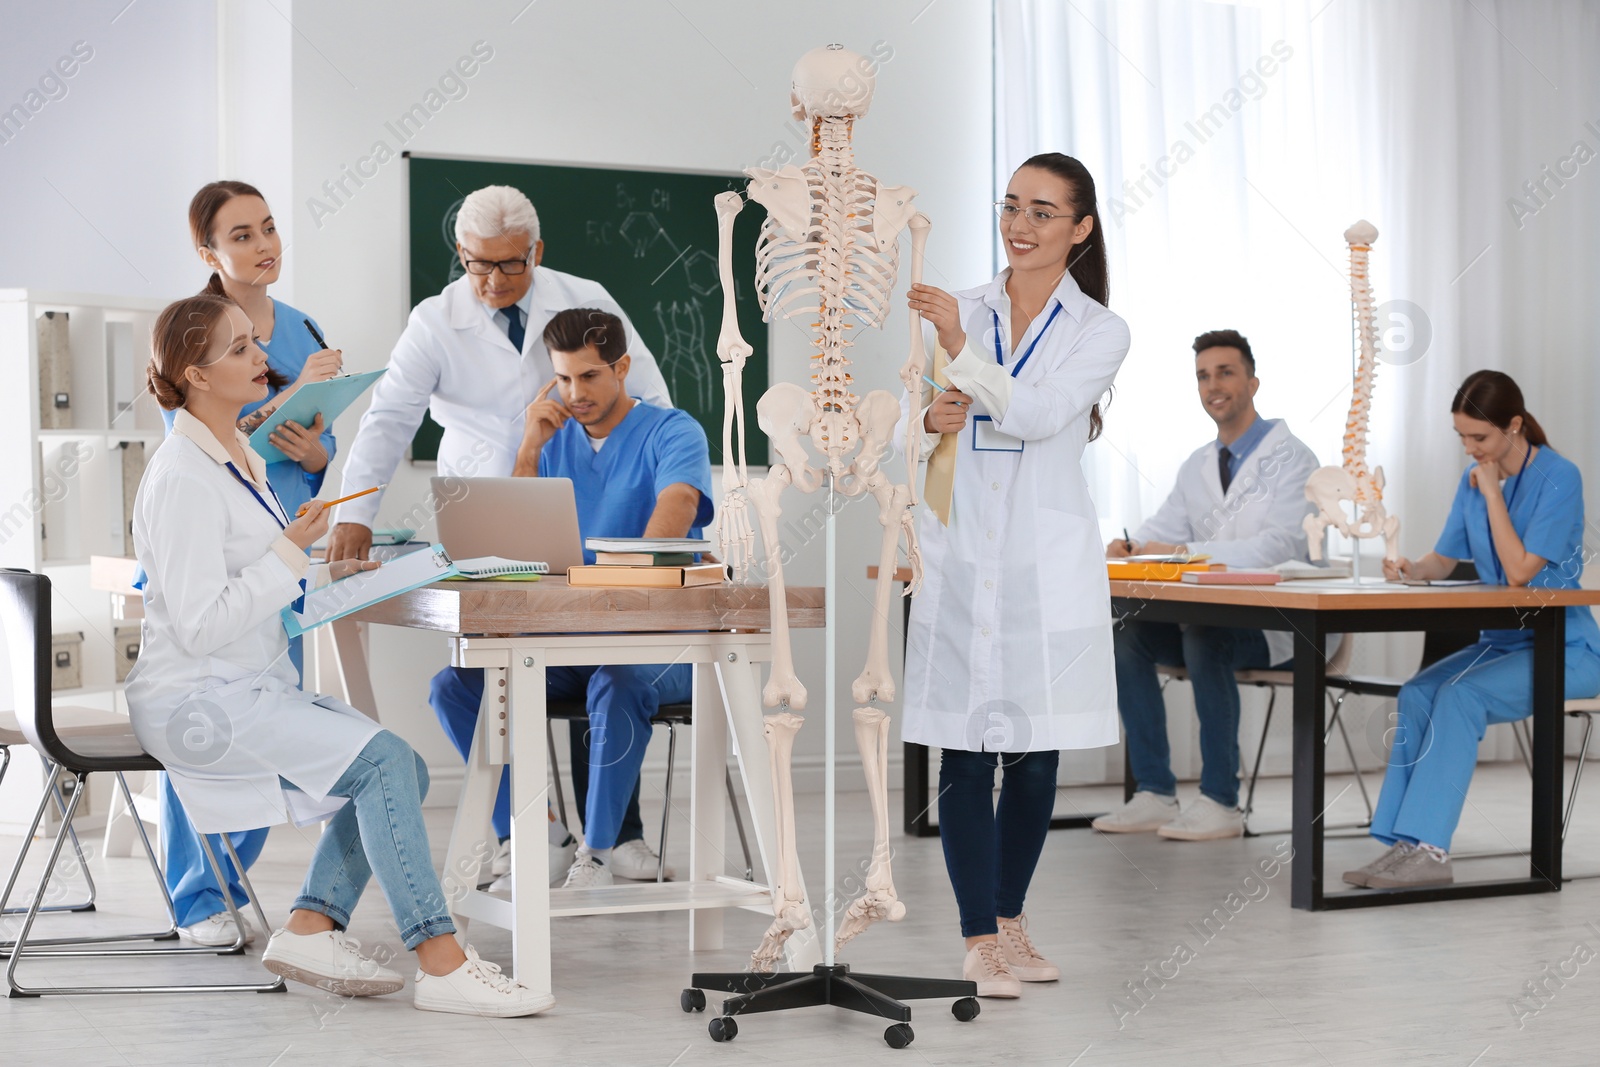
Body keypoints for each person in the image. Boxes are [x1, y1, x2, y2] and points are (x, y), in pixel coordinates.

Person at [129, 292, 550, 1016]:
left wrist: (333, 575)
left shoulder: (233, 457)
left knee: (403, 767)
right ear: (195, 377)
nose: (260, 356)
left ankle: (311, 925)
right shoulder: (181, 478)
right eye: (237, 349)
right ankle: (442, 962)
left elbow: (257, 592)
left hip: (244, 681)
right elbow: (199, 625)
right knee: (384, 762)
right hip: (201, 699)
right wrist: (291, 553)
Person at [329, 185, 672, 883]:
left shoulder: (586, 297)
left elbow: (655, 400)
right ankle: (527, 827)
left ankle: (616, 831)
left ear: (536, 253)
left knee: (598, 644)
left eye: (508, 266)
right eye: (474, 264)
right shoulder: (436, 320)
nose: (489, 282)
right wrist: (353, 513)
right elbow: (389, 419)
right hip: (484, 503)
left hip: (588, 498)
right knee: (486, 670)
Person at [901, 152, 1130, 998]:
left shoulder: (1100, 330)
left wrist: (963, 352)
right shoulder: (956, 304)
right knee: (965, 749)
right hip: (961, 555)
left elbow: (1037, 414)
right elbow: (897, 431)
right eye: (1010, 205)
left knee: (1034, 758)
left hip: (1046, 564)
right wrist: (927, 414)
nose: (1019, 224)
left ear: (1080, 228)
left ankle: (1010, 918)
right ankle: (977, 940)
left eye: (1041, 210)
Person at [429, 308, 712, 889]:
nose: (574, 393)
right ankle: (534, 829)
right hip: (567, 642)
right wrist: (530, 446)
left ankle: (599, 850)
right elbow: (514, 544)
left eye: (588, 377)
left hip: (662, 645)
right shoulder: (554, 443)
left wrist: (619, 578)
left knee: (618, 680)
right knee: (455, 684)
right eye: (562, 379)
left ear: (622, 367)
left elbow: (679, 507)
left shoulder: (672, 430)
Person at [156, 180, 343, 949]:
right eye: (241, 235)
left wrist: (317, 449)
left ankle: (231, 883)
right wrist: (294, 394)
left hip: (283, 556)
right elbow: (201, 435)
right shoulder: (195, 332)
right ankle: (198, 896)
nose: (263, 245)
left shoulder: (302, 327)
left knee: (269, 722)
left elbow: (316, 441)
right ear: (209, 252)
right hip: (219, 556)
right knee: (202, 725)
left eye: (268, 228)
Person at [1343, 370, 1600, 888]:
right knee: (1418, 692)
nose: (1470, 449)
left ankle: (1432, 852)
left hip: (1566, 649)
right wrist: (1411, 569)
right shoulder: (1475, 480)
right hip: (1503, 643)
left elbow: (1521, 572)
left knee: (1459, 698)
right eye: (1462, 437)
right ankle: (1404, 845)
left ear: (1515, 425)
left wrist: (1493, 496)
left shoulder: (1559, 477)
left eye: (1479, 438)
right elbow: (1444, 557)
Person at [1093, 330, 1318, 841]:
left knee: (1204, 638)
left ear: (1253, 381)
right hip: (1213, 618)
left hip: (1281, 626)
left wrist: (1180, 555)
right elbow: (1164, 530)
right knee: (1128, 637)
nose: (1213, 385)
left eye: (1225, 372)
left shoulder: (1294, 459)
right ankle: (1154, 792)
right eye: (1203, 375)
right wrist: (1133, 545)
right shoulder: (1197, 464)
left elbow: (1280, 544)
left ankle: (1221, 802)